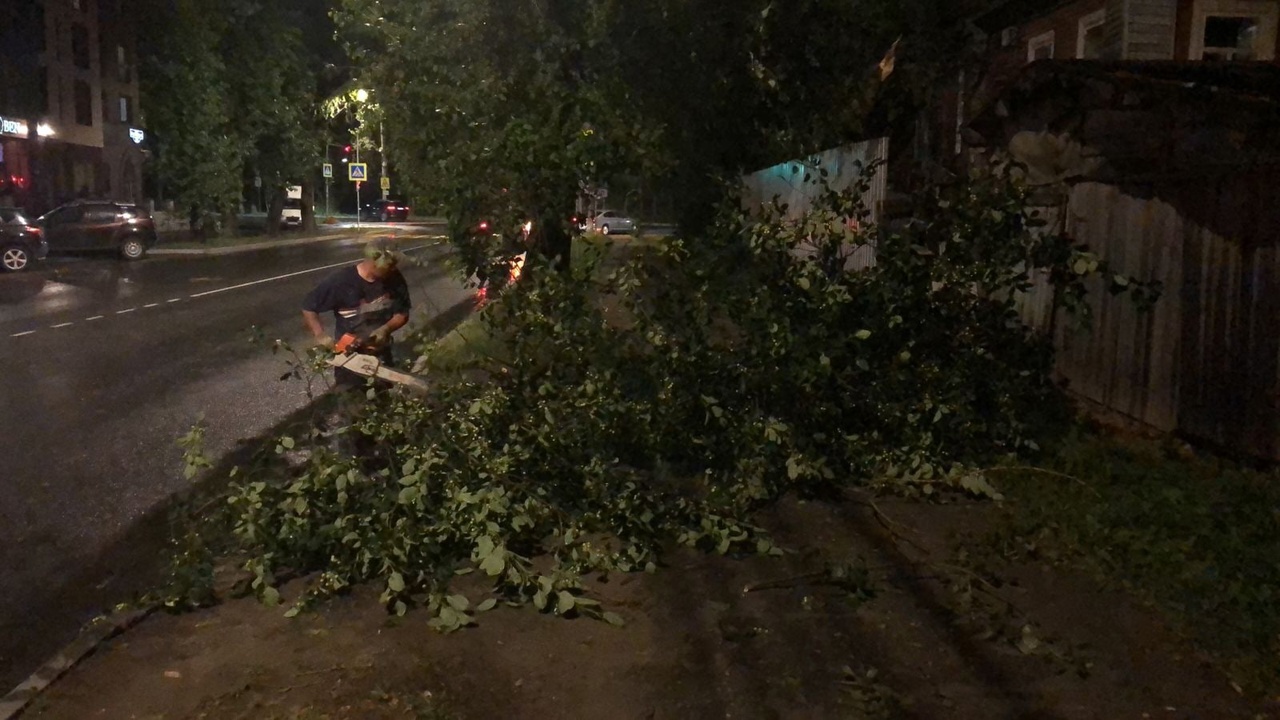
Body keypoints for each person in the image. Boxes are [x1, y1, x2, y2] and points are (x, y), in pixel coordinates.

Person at [302, 239, 412, 390]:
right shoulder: (341, 281)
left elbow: (402, 313)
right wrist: (319, 335)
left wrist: (386, 329)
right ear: (374, 262)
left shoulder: (395, 279)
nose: (394, 269)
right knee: (352, 404)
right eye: (390, 265)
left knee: (381, 402)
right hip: (349, 360)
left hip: (381, 358)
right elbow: (309, 306)